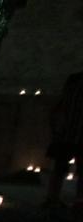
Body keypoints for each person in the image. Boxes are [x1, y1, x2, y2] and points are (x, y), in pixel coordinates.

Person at [45, 70, 83, 208]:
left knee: (60, 167)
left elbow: (60, 104)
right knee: (63, 168)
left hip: (67, 133)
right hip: (72, 133)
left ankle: (53, 198)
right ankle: (75, 201)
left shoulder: (73, 80)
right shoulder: (74, 80)